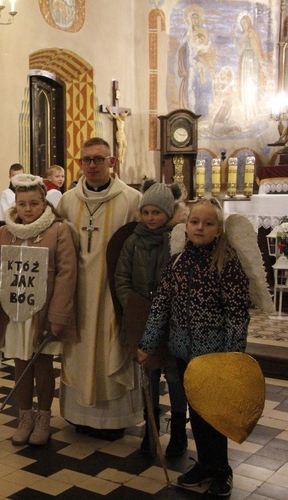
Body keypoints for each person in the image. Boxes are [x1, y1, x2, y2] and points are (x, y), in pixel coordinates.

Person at [138, 198, 250, 497]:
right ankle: (205, 463)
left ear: (218, 229)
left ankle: (220, 470)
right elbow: (161, 306)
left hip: (215, 356)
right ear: (185, 226)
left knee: (215, 415)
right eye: (195, 222)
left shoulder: (226, 263)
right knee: (197, 413)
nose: (200, 227)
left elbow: (237, 315)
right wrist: (147, 344)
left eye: (208, 223)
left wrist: (233, 358)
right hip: (185, 354)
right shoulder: (177, 262)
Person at [55, 137, 143, 440]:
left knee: (112, 347)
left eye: (98, 159)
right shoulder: (68, 200)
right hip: (78, 292)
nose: (92, 165)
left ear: (112, 162)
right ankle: (79, 415)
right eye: (86, 160)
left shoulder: (132, 200)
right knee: (78, 351)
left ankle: (114, 420)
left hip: (112, 293)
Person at [0, 174, 77, 446]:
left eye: (34, 204)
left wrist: (57, 315)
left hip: (43, 311)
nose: (28, 210)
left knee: (42, 364)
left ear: (44, 204)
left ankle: (43, 417)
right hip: (15, 311)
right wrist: (5, 275)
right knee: (21, 363)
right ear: (15, 204)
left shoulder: (58, 230)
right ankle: (24, 417)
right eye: (23, 203)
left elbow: (66, 274)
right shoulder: (6, 231)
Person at [114, 182, 188, 458]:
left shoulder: (178, 239)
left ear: (168, 213)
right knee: (149, 374)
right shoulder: (134, 241)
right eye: (146, 212)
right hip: (142, 316)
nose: (151, 218)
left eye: (157, 212)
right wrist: (133, 306)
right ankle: (151, 428)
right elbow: (121, 278)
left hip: (172, 319)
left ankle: (179, 429)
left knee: (174, 375)